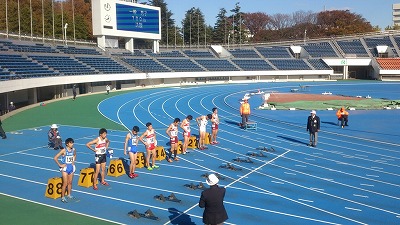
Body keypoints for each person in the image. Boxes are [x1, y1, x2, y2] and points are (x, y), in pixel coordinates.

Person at [53, 138, 77, 203]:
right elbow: (55, 158)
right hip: (65, 168)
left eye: (72, 143)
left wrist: (73, 161)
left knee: (70, 182)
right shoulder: (64, 150)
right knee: (65, 183)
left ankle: (69, 194)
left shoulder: (73, 150)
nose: (72, 144)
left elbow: (75, 155)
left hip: (71, 167)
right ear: (67, 144)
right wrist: (60, 165)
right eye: (71, 143)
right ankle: (63, 197)